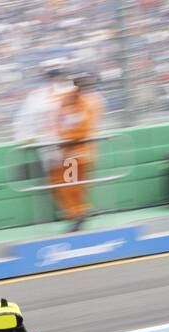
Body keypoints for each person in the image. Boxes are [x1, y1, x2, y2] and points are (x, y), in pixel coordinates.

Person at [53, 72, 104, 231]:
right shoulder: (68, 99)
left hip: (78, 152)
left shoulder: (89, 101)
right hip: (71, 151)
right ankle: (80, 212)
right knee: (67, 184)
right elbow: (59, 120)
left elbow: (83, 129)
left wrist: (66, 138)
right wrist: (63, 137)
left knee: (71, 186)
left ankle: (79, 214)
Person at [13, 64, 69, 181]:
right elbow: (24, 119)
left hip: (63, 143)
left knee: (67, 179)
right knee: (59, 179)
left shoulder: (66, 93)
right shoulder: (37, 96)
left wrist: (24, 138)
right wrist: (25, 139)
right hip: (50, 144)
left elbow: (23, 120)